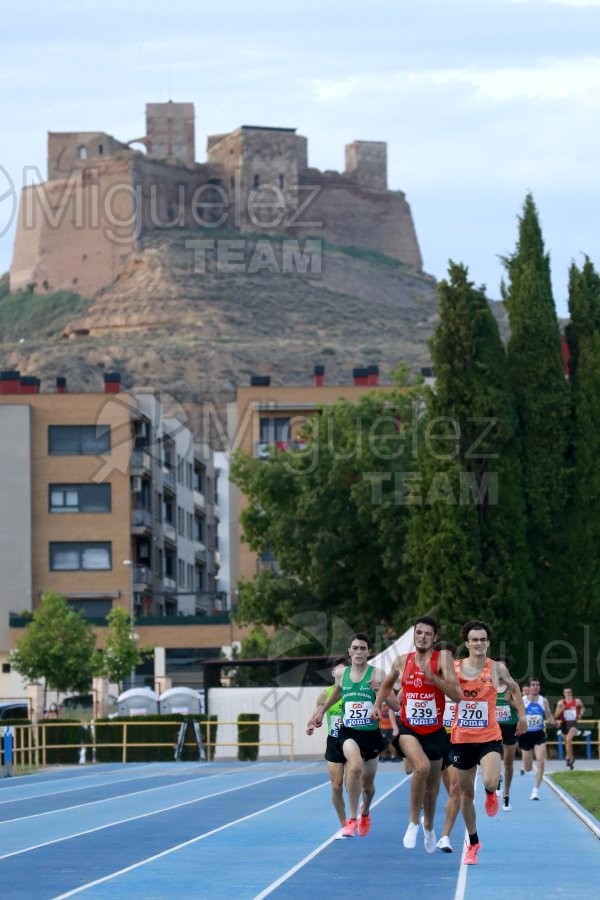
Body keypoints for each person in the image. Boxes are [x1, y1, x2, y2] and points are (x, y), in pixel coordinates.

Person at [372, 616, 462, 853]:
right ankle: (413, 822)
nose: (422, 637)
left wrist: (433, 678)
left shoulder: (442, 660)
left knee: (432, 791)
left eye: (427, 633)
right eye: (418, 633)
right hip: (409, 728)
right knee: (420, 767)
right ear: (414, 635)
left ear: (435, 637)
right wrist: (377, 705)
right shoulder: (402, 661)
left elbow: (457, 695)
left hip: (435, 731)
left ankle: (429, 827)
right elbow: (386, 685)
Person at [451, 620, 527, 865]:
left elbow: (515, 688)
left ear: (488, 642)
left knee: (490, 780)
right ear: (467, 643)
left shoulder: (496, 669)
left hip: (488, 736)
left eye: (483, 639)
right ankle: (473, 842)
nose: (479, 643)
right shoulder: (454, 668)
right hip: (461, 739)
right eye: (474, 639)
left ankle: (491, 792)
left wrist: (523, 716)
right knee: (465, 794)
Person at [308, 633, 387, 838]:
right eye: (355, 648)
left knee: (368, 788)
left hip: (370, 735)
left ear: (369, 652)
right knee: (355, 767)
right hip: (347, 732)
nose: (359, 652)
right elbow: (336, 692)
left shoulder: (378, 674)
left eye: (363, 648)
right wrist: (321, 713)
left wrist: (379, 699)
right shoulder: (342, 674)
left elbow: (395, 703)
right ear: (349, 652)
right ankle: (351, 819)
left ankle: (365, 813)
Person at [306, 656, 351, 835]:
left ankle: (359, 811)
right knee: (336, 786)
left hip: (354, 739)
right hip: (334, 742)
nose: (339, 673)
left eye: (343, 671)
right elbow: (316, 714)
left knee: (352, 782)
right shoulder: (325, 694)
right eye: (336, 671)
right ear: (333, 673)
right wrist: (311, 724)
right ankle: (344, 824)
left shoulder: (353, 691)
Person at [435, 641, 461, 853]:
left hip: (457, 740)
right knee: (432, 788)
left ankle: (444, 836)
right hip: (433, 739)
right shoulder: (426, 678)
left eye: (450, 657)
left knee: (455, 788)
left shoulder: (462, 679)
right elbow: (402, 701)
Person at [519, 676, 558, 799]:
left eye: (537, 685)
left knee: (541, 762)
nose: (536, 687)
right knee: (528, 767)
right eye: (533, 685)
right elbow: (517, 716)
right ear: (529, 688)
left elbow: (549, 716)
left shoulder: (543, 700)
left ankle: (535, 791)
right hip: (525, 736)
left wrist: (554, 722)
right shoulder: (522, 700)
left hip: (539, 735)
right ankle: (528, 768)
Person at [495, 654, 519, 810]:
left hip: (510, 726)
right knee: (493, 758)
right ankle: (496, 778)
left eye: (503, 667)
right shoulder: (488, 685)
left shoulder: (513, 686)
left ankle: (506, 795)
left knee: (508, 763)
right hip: (493, 727)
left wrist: (510, 701)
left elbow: (521, 709)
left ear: (508, 669)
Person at [554, 687, 586, 769]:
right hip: (564, 724)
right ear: (564, 694)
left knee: (568, 739)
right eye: (566, 692)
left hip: (573, 723)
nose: (568, 694)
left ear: (572, 693)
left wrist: (580, 714)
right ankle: (569, 756)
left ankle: (569, 759)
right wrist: (561, 709)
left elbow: (583, 708)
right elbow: (555, 716)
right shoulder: (561, 702)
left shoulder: (577, 701)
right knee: (566, 742)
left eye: (569, 692)